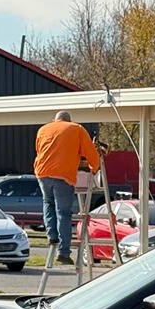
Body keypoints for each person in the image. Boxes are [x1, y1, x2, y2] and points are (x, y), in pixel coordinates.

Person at [33, 110, 100, 263]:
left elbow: (39, 151)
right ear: (69, 120)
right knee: (63, 212)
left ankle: (52, 236)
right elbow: (90, 152)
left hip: (42, 173)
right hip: (62, 175)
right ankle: (63, 252)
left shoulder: (43, 129)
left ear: (55, 120)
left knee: (48, 203)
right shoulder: (76, 129)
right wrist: (94, 168)